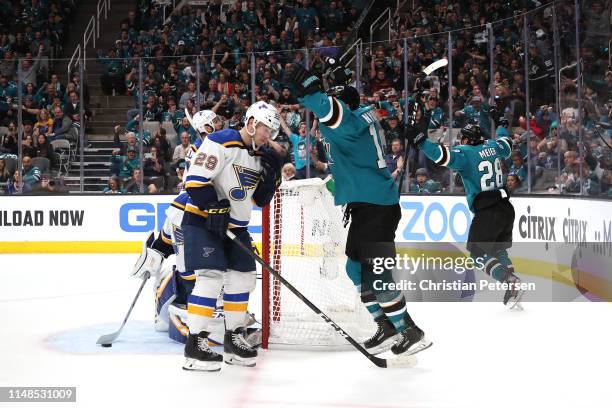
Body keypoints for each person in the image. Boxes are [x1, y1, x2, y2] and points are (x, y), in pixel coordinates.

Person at [284, 63, 432, 357]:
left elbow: (328, 110)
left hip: (378, 206)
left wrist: (311, 91)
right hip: (367, 204)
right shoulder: (361, 118)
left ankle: (409, 329)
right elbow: (347, 163)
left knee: (377, 274)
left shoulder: (350, 124)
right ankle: (386, 325)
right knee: (354, 267)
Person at [179, 101, 284, 371]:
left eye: (271, 132)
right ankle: (195, 345)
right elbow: (194, 181)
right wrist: (213, 204)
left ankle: (233, 339)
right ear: (251, 123)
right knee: (211, 279)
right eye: (265, 130)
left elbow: (259, 200)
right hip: (203, 222)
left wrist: (271, 177)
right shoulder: (220, 141)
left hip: (235, 227)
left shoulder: (260, 156)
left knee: (243, 277)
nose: (267, 136)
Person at [412, 123, 523, 307]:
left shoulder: (465, 153)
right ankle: (512, 289)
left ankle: (509, 281)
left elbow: (442, 156)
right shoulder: (493, 146)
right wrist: (502, 124)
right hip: (506, 207)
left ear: (467, 139)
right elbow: (507, 144)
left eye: (462, 138)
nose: (460, 141)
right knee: (498, 250)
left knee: (477, 255)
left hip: (487, 211)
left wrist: (422, 142)